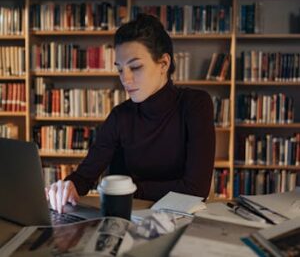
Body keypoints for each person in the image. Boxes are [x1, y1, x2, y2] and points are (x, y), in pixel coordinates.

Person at [47, 13, 216, 213]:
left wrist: (128, 189)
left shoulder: (195, 104)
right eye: (120, 69)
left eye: (135, 67)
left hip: (182, 219)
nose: (125, 79)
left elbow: (196, 189)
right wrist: (67, 187)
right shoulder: (120, 116)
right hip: (129, 219)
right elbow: (84, 177)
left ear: (164, 64)